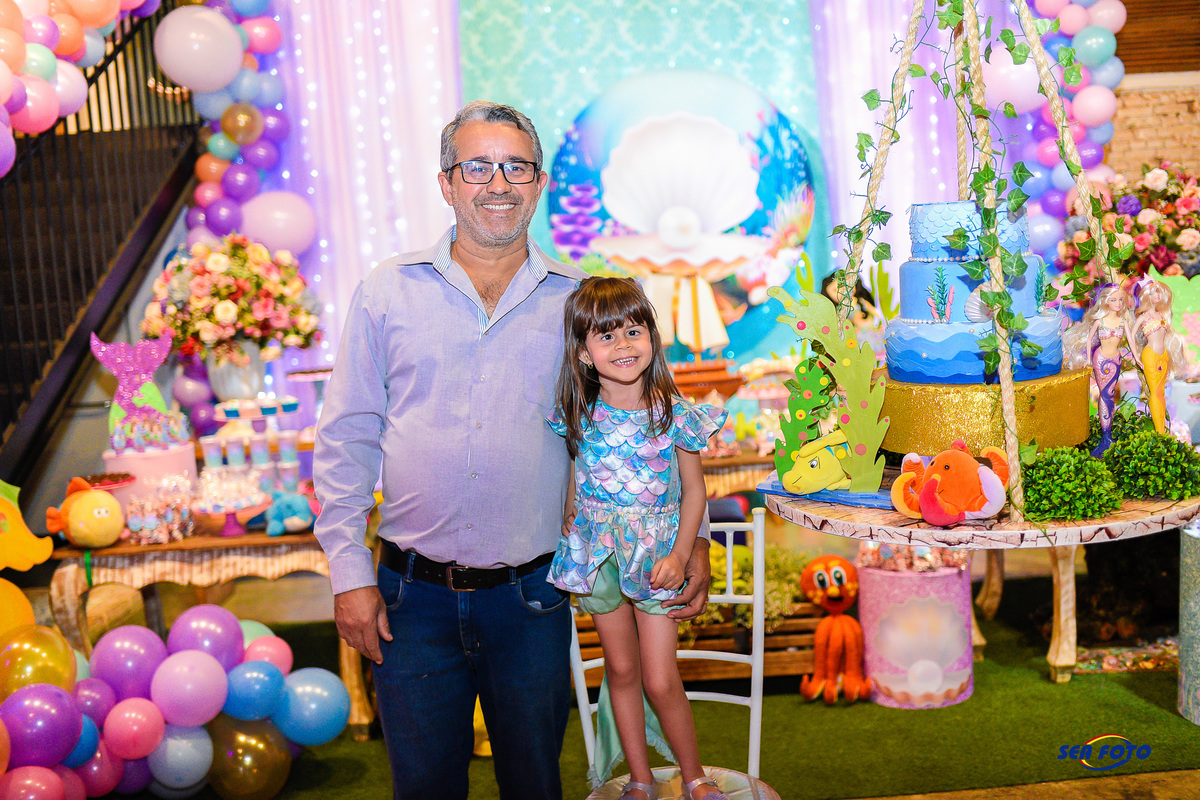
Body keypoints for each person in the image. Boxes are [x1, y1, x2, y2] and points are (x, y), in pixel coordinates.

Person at [313, 101, 713, 800]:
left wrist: (695, 541)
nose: (498, 183)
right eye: (477, 167)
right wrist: (349, 573)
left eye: (516, 167)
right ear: (446, 182)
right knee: (424, 788)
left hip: (532, 598)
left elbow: (650, 426)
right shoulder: (387, 289)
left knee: (534, 784)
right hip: (410, 597)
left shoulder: (582, 305)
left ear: (540, 183)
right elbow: (347, 435)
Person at [548, 276, 730, 800]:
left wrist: (681, 553)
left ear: (652, 336)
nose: (623, 344)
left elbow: (694, 492)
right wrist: (570, 509)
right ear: (583, 353)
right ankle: (641, 779)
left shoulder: (675, 413)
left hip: (657, 560)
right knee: (621, 669)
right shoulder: (578, 413)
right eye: (606, 336)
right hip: (598, 558)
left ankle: (694, 777)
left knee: (659, 677)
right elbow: (575, 471)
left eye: (633, 330)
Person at [1063, 283, 1140, 456]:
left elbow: (1131, 342)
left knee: (1110, 395)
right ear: (1105, 301)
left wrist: (1136, 358)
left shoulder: (1123, 322)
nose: (1118, 303)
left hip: (1115, 359)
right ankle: (1106, 436)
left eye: (1121, 300)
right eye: (1114, 300)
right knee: (1105, 395)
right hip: (1101, 359)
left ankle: (1108, 434)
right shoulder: (1100, 321)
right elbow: (1089, 340)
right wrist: (1088, 359)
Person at [1133, 279, 1188, 434]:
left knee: (1161, 392)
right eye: (1152, 292)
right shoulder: (1143, 317)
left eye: (1158, 292)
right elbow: (1131, 335)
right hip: (1150, 355)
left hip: (1163, 355)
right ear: (1145, 296)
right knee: (1155, 392)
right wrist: (1135, 356)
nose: (1157, 295)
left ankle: (1162, 428)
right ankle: (1159, 431)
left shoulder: (1161, 315)